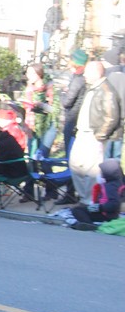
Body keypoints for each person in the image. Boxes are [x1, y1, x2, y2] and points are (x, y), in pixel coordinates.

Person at [69, 61, 121, 205]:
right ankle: (83, 196)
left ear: (96, 73)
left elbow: (111, 116)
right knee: (75, 164)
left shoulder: (106, 90)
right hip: (83, 132)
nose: (84, 75)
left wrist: (100, 136)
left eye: (87, 72)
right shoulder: (92, 88)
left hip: (93, 134)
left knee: (92, 169)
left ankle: (89, 200)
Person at [56, 49, 89, 204]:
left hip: (72, 120)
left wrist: (62, 93)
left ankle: (70, 194)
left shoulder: (78, 80)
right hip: (75, 120)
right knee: (71, 158)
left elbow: (67, 101)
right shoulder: (80, 78)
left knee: (71, 159)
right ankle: (71, 192)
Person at [68, 159, 123, 230]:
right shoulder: (117, 182)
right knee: (84, 208)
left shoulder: (111, 187)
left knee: (77, 210)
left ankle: (88, 224)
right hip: (110, 213)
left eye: (102, 172)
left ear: (108, 173)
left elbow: (114, 204)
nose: (101, 173)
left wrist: (99, 208)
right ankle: (85, 223)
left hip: (105, 214)